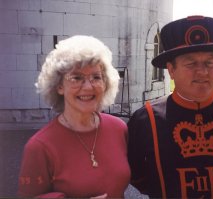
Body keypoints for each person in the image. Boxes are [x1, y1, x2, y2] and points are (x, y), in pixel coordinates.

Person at [127, 16, 213, 199]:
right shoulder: (146, 121)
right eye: (191, 63)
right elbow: (138, 177)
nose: (202, 72)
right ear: (171, 70)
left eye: (209, 63)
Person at [18, 35, 130, 198]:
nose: (88, 86)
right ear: (59, 86)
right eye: (76, 78)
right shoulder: (39, 146)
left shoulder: (118, 128)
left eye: (96, 77)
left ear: (105, 83)